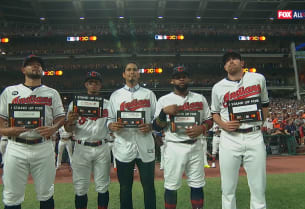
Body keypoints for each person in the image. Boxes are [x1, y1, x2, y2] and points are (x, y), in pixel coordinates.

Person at [0, 55, 65, 209]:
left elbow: (60, 118)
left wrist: (54, 128)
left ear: (42, 70)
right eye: (31, 65)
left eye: (38, 65)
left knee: (46, 192)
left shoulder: (52, 93)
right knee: (12, 195)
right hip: (16, 146)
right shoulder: (10, 91)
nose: (35, 66)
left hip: (43, 146)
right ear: (23, 69)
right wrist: (5, 130)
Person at [211, 51, 269, 209]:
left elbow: (265, 105)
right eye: (227, 61)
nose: (231, 62)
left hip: (254, 135)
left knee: (258, 187)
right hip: (230, 138)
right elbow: (214, 113)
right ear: (224, 67)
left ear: (242, 62)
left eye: (234, 59)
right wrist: (223, 125)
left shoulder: (258, 78)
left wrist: (258, 123)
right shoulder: (218, 87)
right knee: (228, 187)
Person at [153, 66, 212, 209]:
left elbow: (209, 120)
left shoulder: (200, 98)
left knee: (197, 185)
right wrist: (163, 112)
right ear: (172, 80)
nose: (181, 78)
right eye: (178, 76)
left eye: (184, 76)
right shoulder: (164, 100)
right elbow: (156, 126)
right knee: (171, 186)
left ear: (189, 79)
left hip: (195, 145)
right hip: (174, 146)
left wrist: (202, 128)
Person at [107, 62, 156, 209]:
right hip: (124, 145)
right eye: (128, 70)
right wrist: (111, 125)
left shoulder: (149, 94)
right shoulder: (115, 95)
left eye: (135, 70)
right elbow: (109, 119)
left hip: (145, 144)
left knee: (148, 187)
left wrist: (151, 125)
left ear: (139, 74)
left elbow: (157, 117)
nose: (132, 72)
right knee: (125, 188)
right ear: (124, 74)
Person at [65, 71, 111, 209]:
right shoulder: (75, 104)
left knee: (103, 186)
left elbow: (112, 125)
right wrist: (71, 121)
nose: (93, 85)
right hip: (81, 146)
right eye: (90, 82)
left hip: (102, 146)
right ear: (86, 84)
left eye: (96, 82)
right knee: (80, 187)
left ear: (100, 85)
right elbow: (68, 129)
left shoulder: (108, 104)